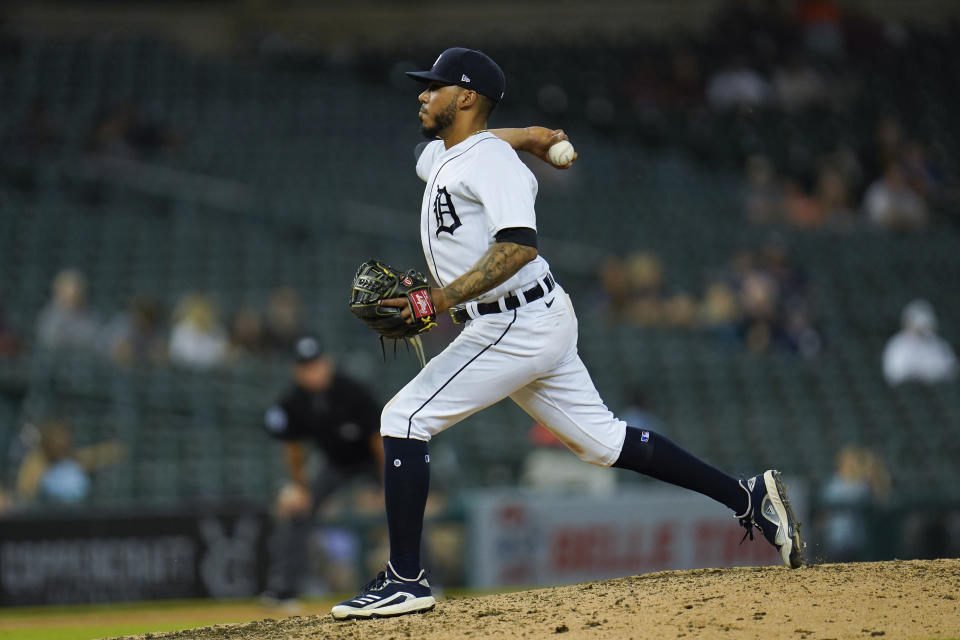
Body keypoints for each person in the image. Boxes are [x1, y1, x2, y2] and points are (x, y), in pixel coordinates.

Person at [331, 47, 804, 620]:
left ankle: (406, 578)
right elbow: (462, 148)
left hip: (515, 318)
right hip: (527, 317)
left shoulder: (493, 165)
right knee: (602, 443)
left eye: (434, 87)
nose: (422, 94)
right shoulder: (445, 155)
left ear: (467, 96)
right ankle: (748, 497)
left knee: (403, 419)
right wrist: (530, 132)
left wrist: (441, 297)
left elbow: (518, 244)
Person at [261, 336, 383, 604]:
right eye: (305, 367)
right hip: (334, 463)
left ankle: (425, 579)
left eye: (316, 365)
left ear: (327, 363)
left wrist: (388, 482)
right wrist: (300, 487)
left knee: (402, 503)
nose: (312, 372)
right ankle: (284, 589)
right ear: (297, 371)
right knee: (298, 510)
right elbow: (292, 448)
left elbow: (378, 439)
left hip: (370, 459)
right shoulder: (295, 400)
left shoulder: (353, 390)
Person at [882, 299, 958, 386]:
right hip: (908, 392)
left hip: (938, 390)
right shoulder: (897, 344)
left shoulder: (938, 344)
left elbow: (951, 369)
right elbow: (894, 374)